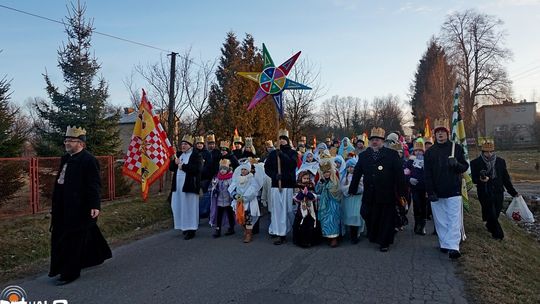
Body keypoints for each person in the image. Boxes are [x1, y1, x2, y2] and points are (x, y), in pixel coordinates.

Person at [49, 126, 112, 285]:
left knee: (72, 239)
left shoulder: (89, 160)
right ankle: (94, 257)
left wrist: (95, 205)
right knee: (69, 235)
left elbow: (94, 184)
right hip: (62, 206)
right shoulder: (65, 158)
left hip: (79, 207)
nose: (66, 143)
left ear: (81, 144)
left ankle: (69, 273)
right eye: (66, 140)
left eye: (71, 140)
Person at [349, 127, 406, 252]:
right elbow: (357, 173)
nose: (375, 142)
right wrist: (352, 189)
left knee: (386, 218)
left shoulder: (391, 154)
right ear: (369, 141)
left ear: (383, 141)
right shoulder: (364, 155)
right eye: (373, 139)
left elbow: (399, 174)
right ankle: (375, 234)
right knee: (367, 213)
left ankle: (384, 242)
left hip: (386, 193)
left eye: (378, 140)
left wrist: (402, 192)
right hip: (370, 193)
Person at [424, 118, 469, 259]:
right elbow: (427, 174)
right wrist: (430, 191)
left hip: (453, 189)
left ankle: (454, 247)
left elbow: (465, 167)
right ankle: (445, 243)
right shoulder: (430, 152)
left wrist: (456, 164)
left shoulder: (457, 148)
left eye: (443, 132)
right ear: (435, 135)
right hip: (437, 190)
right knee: (440, 219)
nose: (441, 134)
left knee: (454, 218)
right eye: (438, 132)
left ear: (448, 133)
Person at [470, 140, 518, 240]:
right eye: (487, 152)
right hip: (484, 192)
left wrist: (513, 192)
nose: (489, 154)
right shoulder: (475, 163)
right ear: (482, 152)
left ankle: (489, 225)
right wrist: (481, 179)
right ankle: (498, 234)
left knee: (496, 212)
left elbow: (505, 179)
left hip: (498, 191)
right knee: (490, 212)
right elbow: (473, 179)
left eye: (491, 151)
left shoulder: (500, 161)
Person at [264, 129, 298, 245]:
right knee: (278, 211)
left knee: (288, 210)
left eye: (284, 139)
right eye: (280, 139)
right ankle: (280, 234)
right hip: (276, 185)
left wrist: (282, 155)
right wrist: (274, 175)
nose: (282, 141)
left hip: (287, 185)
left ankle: (294, 229)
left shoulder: (292, 153)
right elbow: (267, 167)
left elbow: (292, 165)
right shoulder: (273, 154)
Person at [170, 135, 203, 240]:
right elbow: (171, 168)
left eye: (185, 144)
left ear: (190, 145)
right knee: (179, 206)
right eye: (182, 144)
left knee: (190, 208)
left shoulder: (196, 155)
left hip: (190, 186)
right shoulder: (179, 155)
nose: (183, 146)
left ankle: (191, 229)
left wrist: (183, 166)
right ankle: (184, 227)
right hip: (178, 187)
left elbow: (197, 169)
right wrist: (173, 162)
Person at [229, 160, 265, 243]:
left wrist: (244, 197)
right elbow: (231, 188)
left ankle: (249, 234)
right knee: (241, 217)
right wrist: (235, 195)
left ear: (248, 170)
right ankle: (246, 230)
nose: (243, 171)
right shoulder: (237, 179)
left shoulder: (252, 179)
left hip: (248, 202)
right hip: (239, 202)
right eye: (242, 169)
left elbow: (253, 189)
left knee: (249, 218)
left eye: (245, 169)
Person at [316, 153, 343, 247]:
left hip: (333, 203)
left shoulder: (335, 180)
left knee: (332, 219)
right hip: (324, 203)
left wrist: (327, 186)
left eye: (328, 172)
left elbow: (337, 190)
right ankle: (327, 236)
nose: (326, 174)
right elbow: (317, 190)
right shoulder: (322, 180)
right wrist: (320, 184)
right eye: (324, 172)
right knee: (324, 219)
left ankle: (334, 238)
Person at [292, 171, 320, 248]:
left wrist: (309, 194)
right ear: (301, 178)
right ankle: (302, 241)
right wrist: (302, 194)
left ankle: (312, 240)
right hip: (301, 208)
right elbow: (295, 197)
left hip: (311, 207)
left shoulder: (311, 185)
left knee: (311, 221)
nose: (306, 180)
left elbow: (315, 196)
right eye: (304, 178)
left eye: (307, 178)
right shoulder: (297, 186)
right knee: (301, 223)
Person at [406, 140, 428, 235]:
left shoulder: (427, 161)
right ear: (414, 152)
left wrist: (425, 167)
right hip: (415, 187)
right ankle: (417, 224)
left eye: (420, 151)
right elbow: (405, 172)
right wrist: (409, 179)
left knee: (424, 206)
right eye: (416, 151)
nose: (418, 152)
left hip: (425, 187)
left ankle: (422, 225)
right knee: (416, 205)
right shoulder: (410, 161)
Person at [340, 158, 365, 244]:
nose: (350, 169)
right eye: (349, 167)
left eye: (353, 167)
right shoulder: (344, 177)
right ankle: (351, 234)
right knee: (349, 216)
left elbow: (362, 188)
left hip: (357, 199)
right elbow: (342, 188)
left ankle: (355, 235)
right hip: (348, 200)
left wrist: (353, 189)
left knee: (356, 216)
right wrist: (349, 189)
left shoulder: (361, 177)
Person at [209, 159, 235, 238]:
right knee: (219, 216)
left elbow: (233, 188)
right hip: (219, 201)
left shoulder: (231, 178)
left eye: (224, 169)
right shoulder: (217, 178)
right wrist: (214, 189)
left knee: (230, 215)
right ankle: (218, 229)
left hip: (228, 201)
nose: (222, 171)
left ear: (227, 169)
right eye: (221, 169)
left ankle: (231, 228)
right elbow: (213, 188)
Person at [195, 136, 212, 219]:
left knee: (205, 195)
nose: (199, 145)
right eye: (198, 144)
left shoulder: (207, 153)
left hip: (205, 177)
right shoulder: (193, 153)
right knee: (196, 196)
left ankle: (205, 212)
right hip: (196, 178)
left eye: (200, 144)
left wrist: (202, 170)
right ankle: (197, 213)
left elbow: (209, 165)